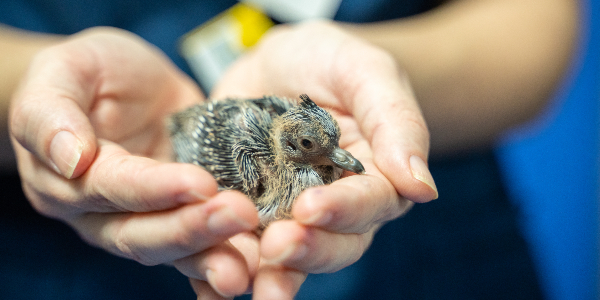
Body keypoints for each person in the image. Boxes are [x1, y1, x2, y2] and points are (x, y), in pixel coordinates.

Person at [0, 0, 579, 299]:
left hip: (444, 247)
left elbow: (532, 26)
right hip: (57, 259)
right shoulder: (241, 157)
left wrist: (377, 85)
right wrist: (39, 96)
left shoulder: (314, 153)